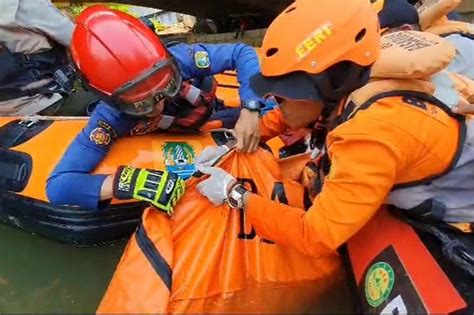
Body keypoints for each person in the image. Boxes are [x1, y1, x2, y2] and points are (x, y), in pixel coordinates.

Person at [195, 0, 474, 257]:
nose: (270, 100)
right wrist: (230, 144)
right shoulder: (357, 78)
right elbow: (292, 113)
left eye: (281, 94)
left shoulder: (370, 133)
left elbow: (316, 237)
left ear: (330, 84)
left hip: (457, 205)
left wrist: (235, 194)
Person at [46, 6, 269, 211]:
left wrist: (251, 108)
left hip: (212, 114)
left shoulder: (181, 58)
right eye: (141, 102)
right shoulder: (109, 118)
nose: (158, 103)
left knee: (270, 109)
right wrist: (134, 182)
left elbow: (241, 52)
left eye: (166, 86)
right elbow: (59, 185)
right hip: (181, 131)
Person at [0, 0, 96, 116]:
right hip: (37, 104)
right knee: (115, 104)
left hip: (8, 105)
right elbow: (83, 42)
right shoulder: (26, 5)